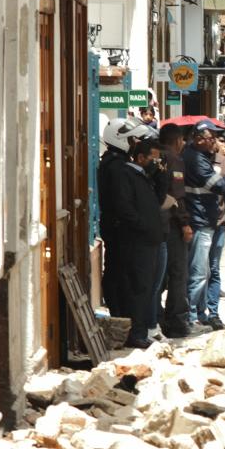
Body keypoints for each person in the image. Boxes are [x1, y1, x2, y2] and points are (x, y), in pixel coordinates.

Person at [183, 120, 225, 333]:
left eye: (216, 138)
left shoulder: (211, 158)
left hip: (213, 222)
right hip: (200, 222)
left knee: (211, 270)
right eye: (212, 138)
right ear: (198, 139)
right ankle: (192, 316)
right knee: (199, 273)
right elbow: (220, 185)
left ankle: (206, 314)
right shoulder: (195, 159)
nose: (216, 142)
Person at [107, 138, 166, 349]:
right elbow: (125, 207)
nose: (156, 164)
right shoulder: (126, 174)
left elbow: (158, 198)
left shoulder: (144, 177)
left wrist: (160, 175)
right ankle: (135, 333)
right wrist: (142, 225)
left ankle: (140, 331)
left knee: (147, 287)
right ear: (140, 158)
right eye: (153, 159)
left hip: (149, 241)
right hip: (136, 241)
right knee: (136, 288)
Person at [98, 117, 156, 319]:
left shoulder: (116, 163)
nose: (135, 145)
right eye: (132, 140)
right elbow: (122, 204)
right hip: (120, 232)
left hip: (120, 230)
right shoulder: (116, 167)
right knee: (121, 276)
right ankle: (122, 319)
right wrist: (141, 224)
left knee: (121, 275)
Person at [157, 124, 194, 338]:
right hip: (172, 225)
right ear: (178, 140)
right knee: (178, 274)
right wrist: (185, 223)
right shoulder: (174, 159)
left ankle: (157, 318)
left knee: (158, 276)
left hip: (155, 224)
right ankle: (177, 322)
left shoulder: (155, 156)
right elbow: (177, 195)